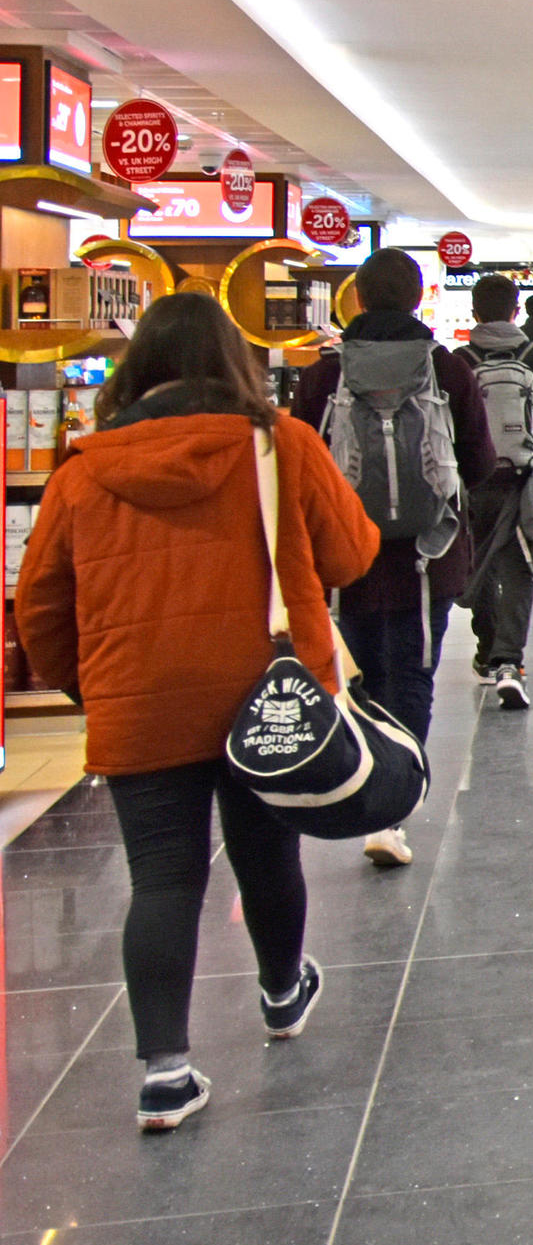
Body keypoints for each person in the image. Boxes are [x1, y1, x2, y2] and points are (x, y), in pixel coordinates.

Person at [14, 293, 378, 1128]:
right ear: (234, 363)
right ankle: (283, 992)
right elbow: (352, 553)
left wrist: (90, 684)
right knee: (267, 854)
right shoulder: (279, 446)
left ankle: (166, 1073)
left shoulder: (82, 470)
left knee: (165, 878)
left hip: (139, 703)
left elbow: (39, 607)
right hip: (267, 695)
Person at [287, 247, 498, 868]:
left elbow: (301, 467)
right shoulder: (446, 368)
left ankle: (370, 794)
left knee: (366, 676)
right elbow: (480, 463)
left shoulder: (325, 374)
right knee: (414, 674)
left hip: (348, 556)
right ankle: (394, 815)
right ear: (416, 298)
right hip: (427, 556)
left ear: (356, 299)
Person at [449, 274, 533, 707]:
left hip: (470, 481)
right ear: (515, 310)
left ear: (474, 311)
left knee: (478, 561)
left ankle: (487, 651)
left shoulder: (457, 361)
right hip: (524, 478)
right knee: (519, 566)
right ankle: (510, 661)